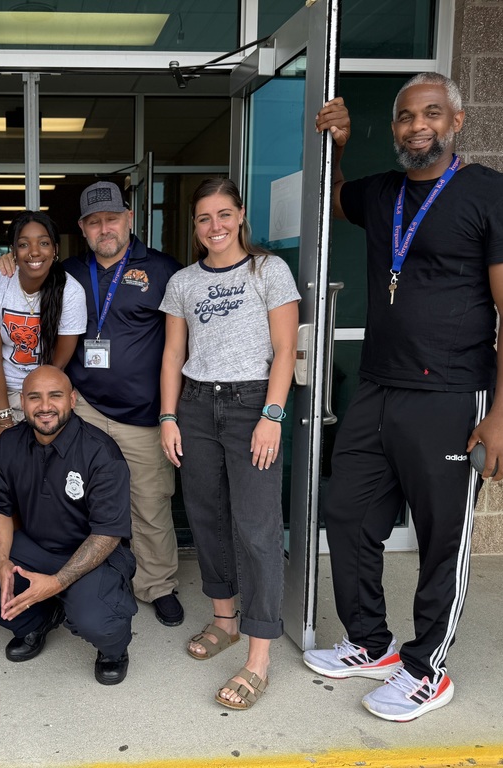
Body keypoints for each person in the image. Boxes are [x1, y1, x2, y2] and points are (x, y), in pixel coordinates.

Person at [304, 73, 503, 722]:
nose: (418, 127)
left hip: (452, 396)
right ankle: (370, 644)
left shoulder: (498, 196)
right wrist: (339, 145)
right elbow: (332, 202)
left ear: (456, 122)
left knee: (442, 539)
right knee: (347, 513)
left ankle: (425, 670)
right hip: (379, 388)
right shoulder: (384, 194)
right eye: (407, 117)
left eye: (432, 114)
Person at [0, 181, 186, 628]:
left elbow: (180, 345)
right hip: (82, 409)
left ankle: (156, 584)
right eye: (94, 222)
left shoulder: (163, 271)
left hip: (142, 413)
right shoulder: (68, 270)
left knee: (149, 502)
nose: (105, 229)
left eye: (112, 219)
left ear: (129, 218)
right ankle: (84, 581)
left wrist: (172, 412)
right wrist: (7, 259)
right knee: (73, 500)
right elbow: (24, 276)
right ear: (82, 228)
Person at [159, 178, 300, 711]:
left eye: (223, 214)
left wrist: (272, 415)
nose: (214, 226)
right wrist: (168, 416)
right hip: (195, 405)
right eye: (203, 218)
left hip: (250, 406)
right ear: (194, 227)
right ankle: (225, 620)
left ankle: (259, 653)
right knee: (206, 515)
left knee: (258, 527)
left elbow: (285, 349)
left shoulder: (269, 272)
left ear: (240, 216)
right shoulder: (183, 281)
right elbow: (173, 354)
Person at [0, 365, 137, 685]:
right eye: (34, 397)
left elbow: (107, 534)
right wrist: (2, 561)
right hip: (34, 546)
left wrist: (57, 582)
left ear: (73, 400)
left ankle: (114, 649)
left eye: (55, 396)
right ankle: (36, 621)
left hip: (92, 553)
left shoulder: (101, 452)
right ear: (22, 401)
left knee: (93, 619)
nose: (45, 406)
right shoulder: (9, 444)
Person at [0, 210, 87, 491]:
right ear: (13, 251)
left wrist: (37, 404)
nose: (34, 252)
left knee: (42, 482)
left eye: (44, 243)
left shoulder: (70, 291)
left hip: (43, 394)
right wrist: (4, 417)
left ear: (55, 249)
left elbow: (56, 367)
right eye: (24, 244)